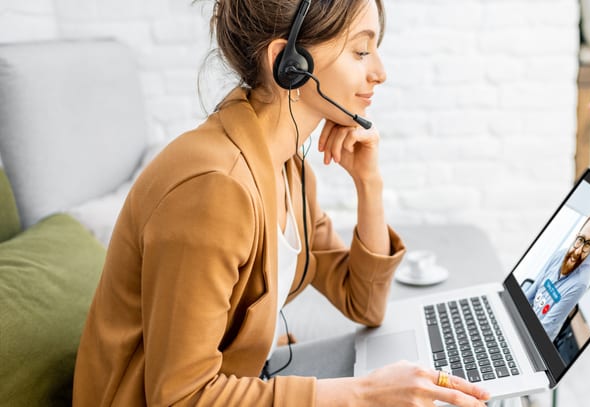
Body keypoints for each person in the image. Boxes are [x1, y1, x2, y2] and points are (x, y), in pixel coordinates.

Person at [73, 0, 491, 406]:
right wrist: (363, 395)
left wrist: (369, 183)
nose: (380, 72)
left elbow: (364, 303)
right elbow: (180, 397)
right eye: (361, 51)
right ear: (288, 63)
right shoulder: (214, 190)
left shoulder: (289, 168)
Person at [523, 207, 590, 341]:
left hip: (538, 338)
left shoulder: (580, 283)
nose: (578, 251)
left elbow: (546, 328)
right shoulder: (560, 254)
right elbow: (533, 290)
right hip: (528, 320)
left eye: (588, 244)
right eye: (581, 239)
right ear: (577, 234)